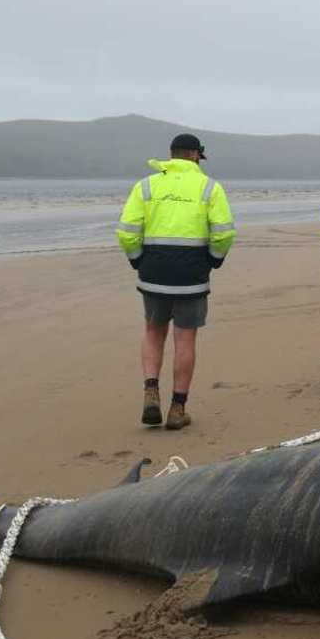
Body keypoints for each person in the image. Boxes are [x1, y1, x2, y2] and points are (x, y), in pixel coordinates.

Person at [116, 134, 236, 429]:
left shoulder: (146, 185)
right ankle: (177, 409)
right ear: (196, 156)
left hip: (153, 272)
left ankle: (150, 392)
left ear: (171, 155)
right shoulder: (210, 187)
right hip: (191, 276)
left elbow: (127, 231)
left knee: (154, 332)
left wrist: (137, 260)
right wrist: (213, 260)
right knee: (185, 339)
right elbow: (223, 233)